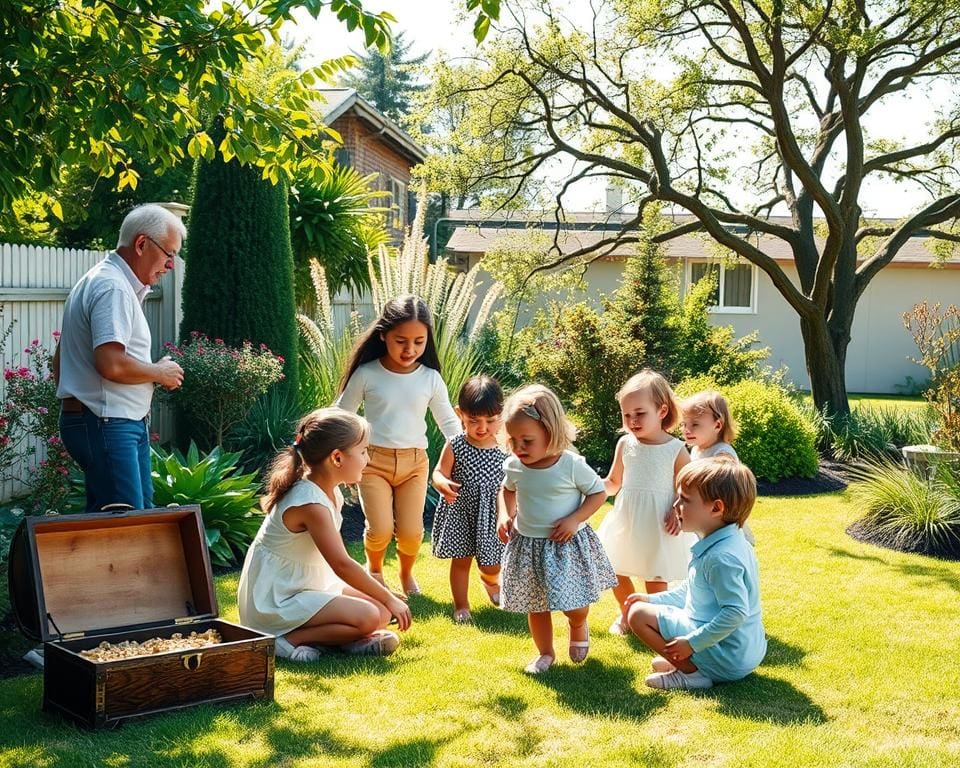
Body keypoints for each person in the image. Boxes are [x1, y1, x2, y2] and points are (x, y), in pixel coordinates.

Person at [237, 408, 412, 660]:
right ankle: (284, 640)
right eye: (363, 452)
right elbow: (341, 564)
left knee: (382, 611)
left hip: (304, 584)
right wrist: (388, 597)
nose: (368, 459)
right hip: (277, 597)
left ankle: (345, 641)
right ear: (337, 458)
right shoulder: (310, 503)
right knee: (372, 615)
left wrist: (385, 598)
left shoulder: (329, 490)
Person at [54, 203, 185, 512]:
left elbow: (60, 359)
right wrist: (159, 372)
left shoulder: (101, 280)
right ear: (141, 244)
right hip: (107, 423)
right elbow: (110, 364)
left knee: (127, 520)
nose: (171, 266)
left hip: (107, 421)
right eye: (169, 254)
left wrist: (81, 400)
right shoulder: (112, 287)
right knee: (125, 527)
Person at [334, 295, 461, 596]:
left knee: (411, 533)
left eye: (419, 342)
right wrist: (315, 439)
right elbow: (341, 413)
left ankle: (406, 574)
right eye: (401, 341)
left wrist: (469, 449)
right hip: (372, 462)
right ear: (383, 335)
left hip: (414, 464)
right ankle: (374, 569)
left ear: (427, 339)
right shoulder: (367, 373)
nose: (410, 349)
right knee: (379, 530)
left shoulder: (431, 378)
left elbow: (449, 424)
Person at [497, 384, 617, 674]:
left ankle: (578, 623)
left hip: (564, 545)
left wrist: (575, 519)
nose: (519, 448)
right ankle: (545, 653)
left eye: (527, 440)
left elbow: (598, 493)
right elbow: (507, 490)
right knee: (535, 604)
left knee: (573, 603)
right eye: (513, 440)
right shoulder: (515, 466)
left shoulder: (571, 465)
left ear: (550, 433)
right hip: (528, 545)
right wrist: (505, 514)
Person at [624, 457, 766, 690]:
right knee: (643, 607)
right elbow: (690, 591)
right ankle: (694, 663)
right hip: (741, 650)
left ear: (716, 508)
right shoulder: (727, 541)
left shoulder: (721, 558)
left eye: (685, 500)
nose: (675, 505)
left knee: (638, 615)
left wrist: (692, 643)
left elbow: (735, 612)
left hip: (729, 654)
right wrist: (651, 599)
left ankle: (691, 674)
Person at [597, 370, 693, 635]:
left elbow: (688, 486)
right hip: (627, 519)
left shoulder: (675, 449)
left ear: (662, 411)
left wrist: (678, 509)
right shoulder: (625, 444)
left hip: (659, 521)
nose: (632, 420)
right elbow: (614, 482)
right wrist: (589, 487)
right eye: (626, 415)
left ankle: (656, 620)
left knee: (654, 575)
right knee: (612, 566)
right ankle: (627, 612)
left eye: (640, 413)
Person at [431, 375, 508, 623]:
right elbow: (439, 472)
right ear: (459, 414)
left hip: (493, 514)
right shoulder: (456, 444)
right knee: (461, 561)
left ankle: (490, 581)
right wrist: (442, 482)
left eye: (490, 421)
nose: (482, 427)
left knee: (492, 564)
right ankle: (461, 606)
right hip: (461, 511)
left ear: (501, 417)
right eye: (474, 420)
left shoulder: (505, 447)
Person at [680, 389, 756, 545]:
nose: (687, 429)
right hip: (703, 518)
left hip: (719, 523)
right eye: (684, 424)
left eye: (695, 424)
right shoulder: (696, 449)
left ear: (718, 424)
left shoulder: (723, 454)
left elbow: (727, 491)